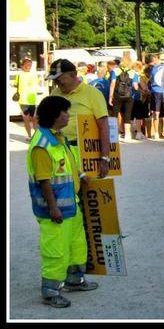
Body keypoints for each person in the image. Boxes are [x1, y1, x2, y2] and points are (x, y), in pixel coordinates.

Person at [27, 96, 99, 308]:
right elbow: (44, 180)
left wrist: (81, 175)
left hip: (70, 205)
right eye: (65, 112)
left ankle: (75, 279)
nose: (68, 115)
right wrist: (53, 208)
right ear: (55, 116)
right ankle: (50, 291)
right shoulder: (42, 145)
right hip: (55, 211)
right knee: (55, 251)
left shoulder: (58, 138)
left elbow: (68, 164)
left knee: (76, 244)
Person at [47, 59, 110, 179]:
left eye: (59, 79)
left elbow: (104, 127)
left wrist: (105, 158)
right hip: (59, 152)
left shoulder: (93, 94)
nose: (57, 83)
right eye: (54, 80)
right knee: (64, 187)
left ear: (73, 75)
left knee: (86, 187)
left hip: (85, 154)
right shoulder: (55, 93)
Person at [108, 55, 139, 142]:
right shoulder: (133, 73)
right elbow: (135, 86)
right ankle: (127, 136)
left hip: (117, 95)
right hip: (129, 97)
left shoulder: (115, 71)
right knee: (127, 116)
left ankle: (114, 135)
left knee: (114, 115)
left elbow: (112, 84)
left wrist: (110, 97)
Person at [15, 57, 39, 141]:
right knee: (32, 120)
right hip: (28, 100)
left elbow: (15, 84)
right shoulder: (34, 75)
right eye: (27, 65)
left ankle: (31, 136)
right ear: (22, 66)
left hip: (27, 100)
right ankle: (33, 137)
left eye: (29, 65)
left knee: (29, 120)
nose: (28, 67)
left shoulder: (19, 75)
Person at [131, 61, 149, 140]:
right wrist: (143, 91)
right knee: (138, 117)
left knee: (130, 117)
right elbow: (140, 87)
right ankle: (138, 133)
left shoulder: (129, 74)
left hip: (129, 98)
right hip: (137, 98)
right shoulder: (137, 75)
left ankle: (130, 133)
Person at [148, 55, 164, 140]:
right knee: (163, 114)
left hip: (156, 91)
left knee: (156, 113)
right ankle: (161, 132)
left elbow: (151, 80)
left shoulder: (153, 69)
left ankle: (156, 133)